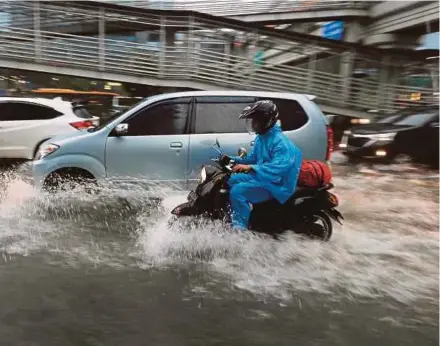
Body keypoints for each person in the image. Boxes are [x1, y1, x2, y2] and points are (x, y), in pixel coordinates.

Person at [220, 100, 303, 231]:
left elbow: (280, 166)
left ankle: (239, 230)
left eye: (256, 120)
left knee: (238, 192)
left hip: (277, 184)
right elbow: (253, 158)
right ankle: (233, 213)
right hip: (264, 178)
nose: (253, 124)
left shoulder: (281, 142)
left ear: (266, 120)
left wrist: (251, 168)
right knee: (229, 180)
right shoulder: (262, 137)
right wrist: (233, 160)